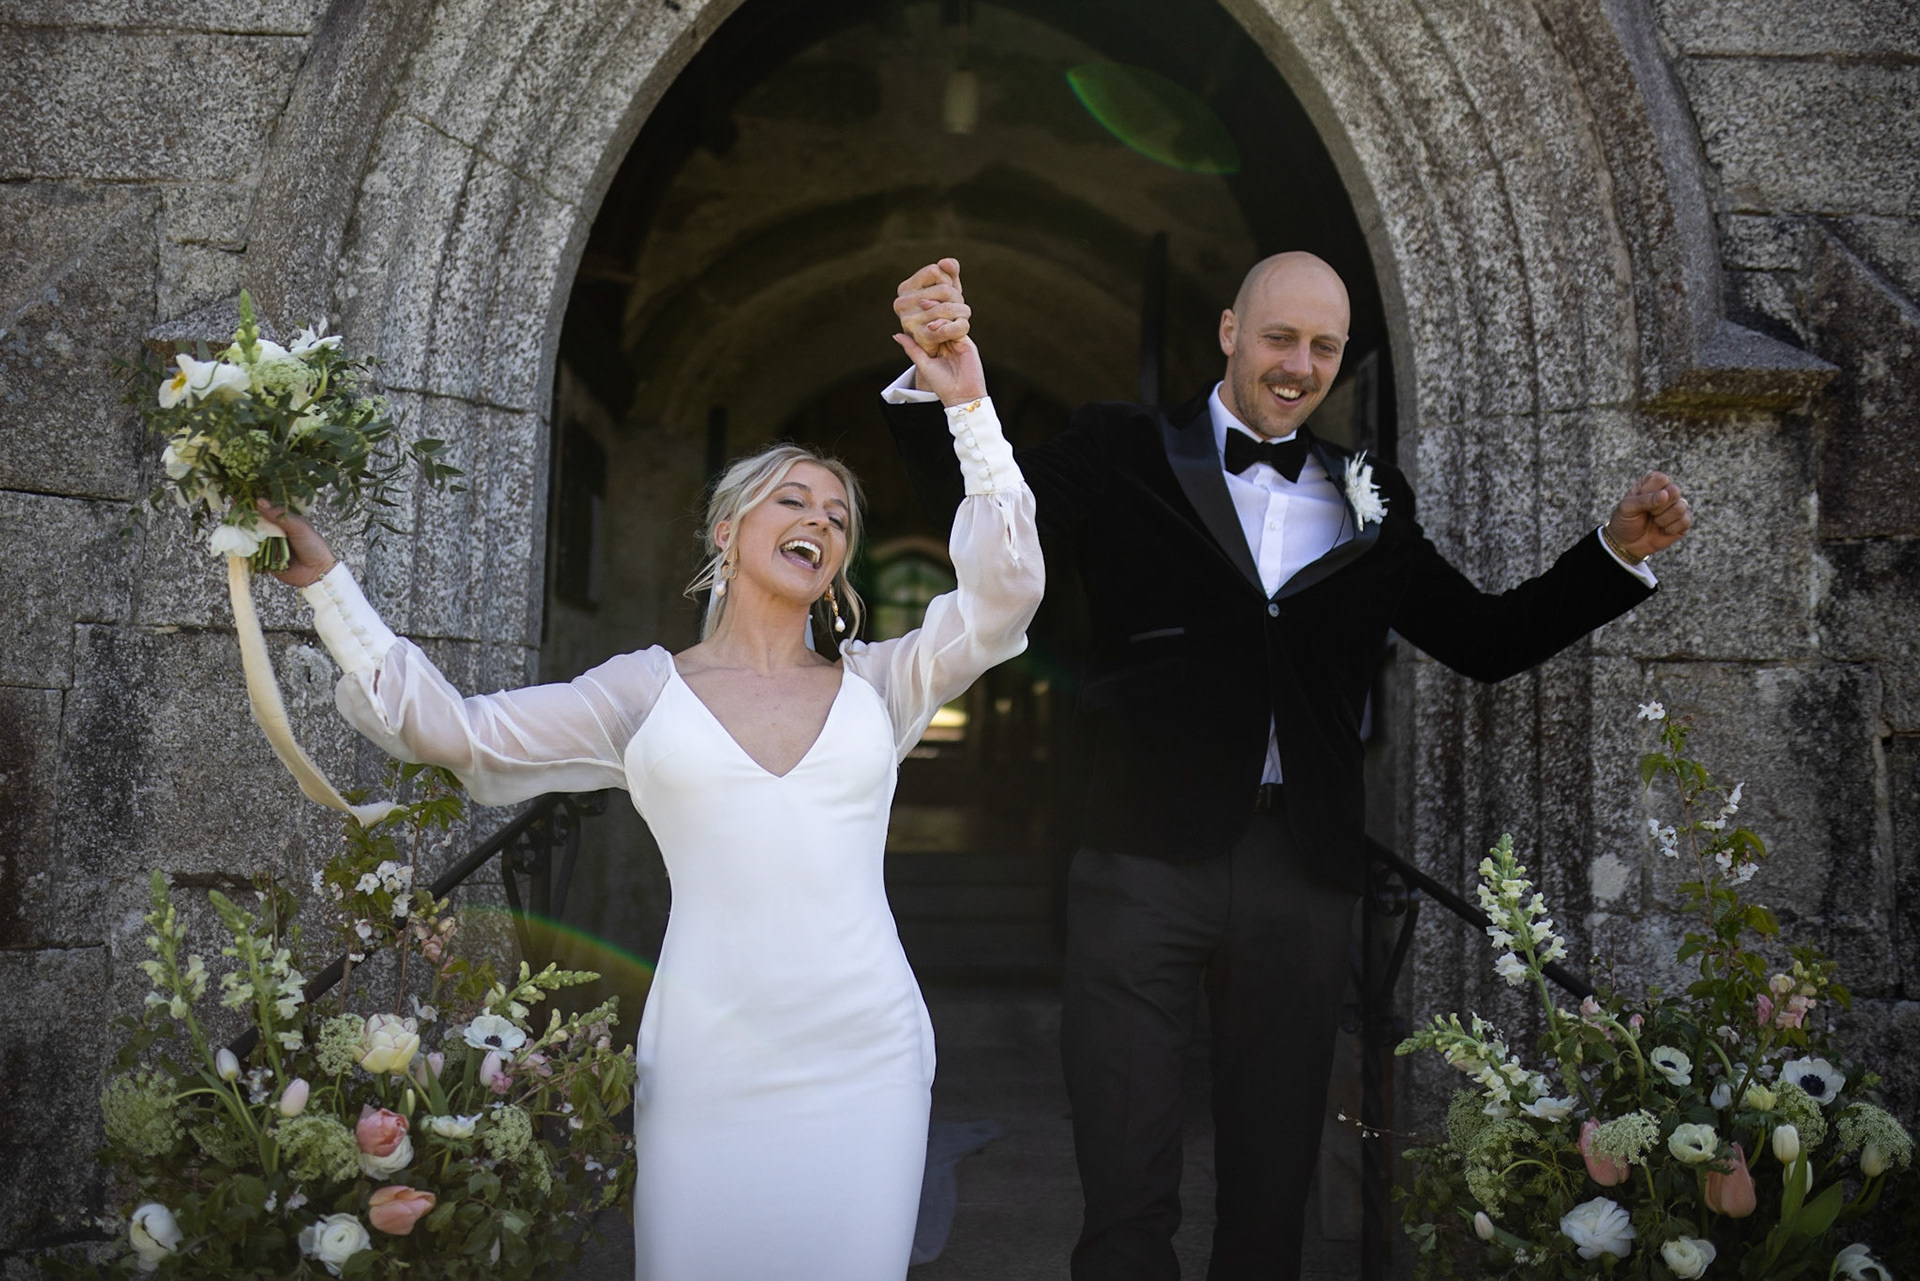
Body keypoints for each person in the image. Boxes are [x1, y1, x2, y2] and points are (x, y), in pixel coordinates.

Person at [882, 253, 1693, 1281]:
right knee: (1124, 1175)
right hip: (1139, 855)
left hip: (1299, 873)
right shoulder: (1121, 446)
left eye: (1322, 347)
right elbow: (986, 523)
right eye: (1279, 338)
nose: (1298, 365)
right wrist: (944, 389)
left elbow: (1485, 639)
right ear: (1229, 331)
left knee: (1273, 1190)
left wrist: (1611, 554)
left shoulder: (1369, 494)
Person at [263, 317, 1041, 1281]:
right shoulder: (641, 691)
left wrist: (967, 403)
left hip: (867, 1050)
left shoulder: (883, 684)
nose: (820, 521)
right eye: (792, 499)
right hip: (710, 1055)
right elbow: (456, 731)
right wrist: (327, 587)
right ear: (728, 530)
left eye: (839, 518)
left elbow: (1002, 601)